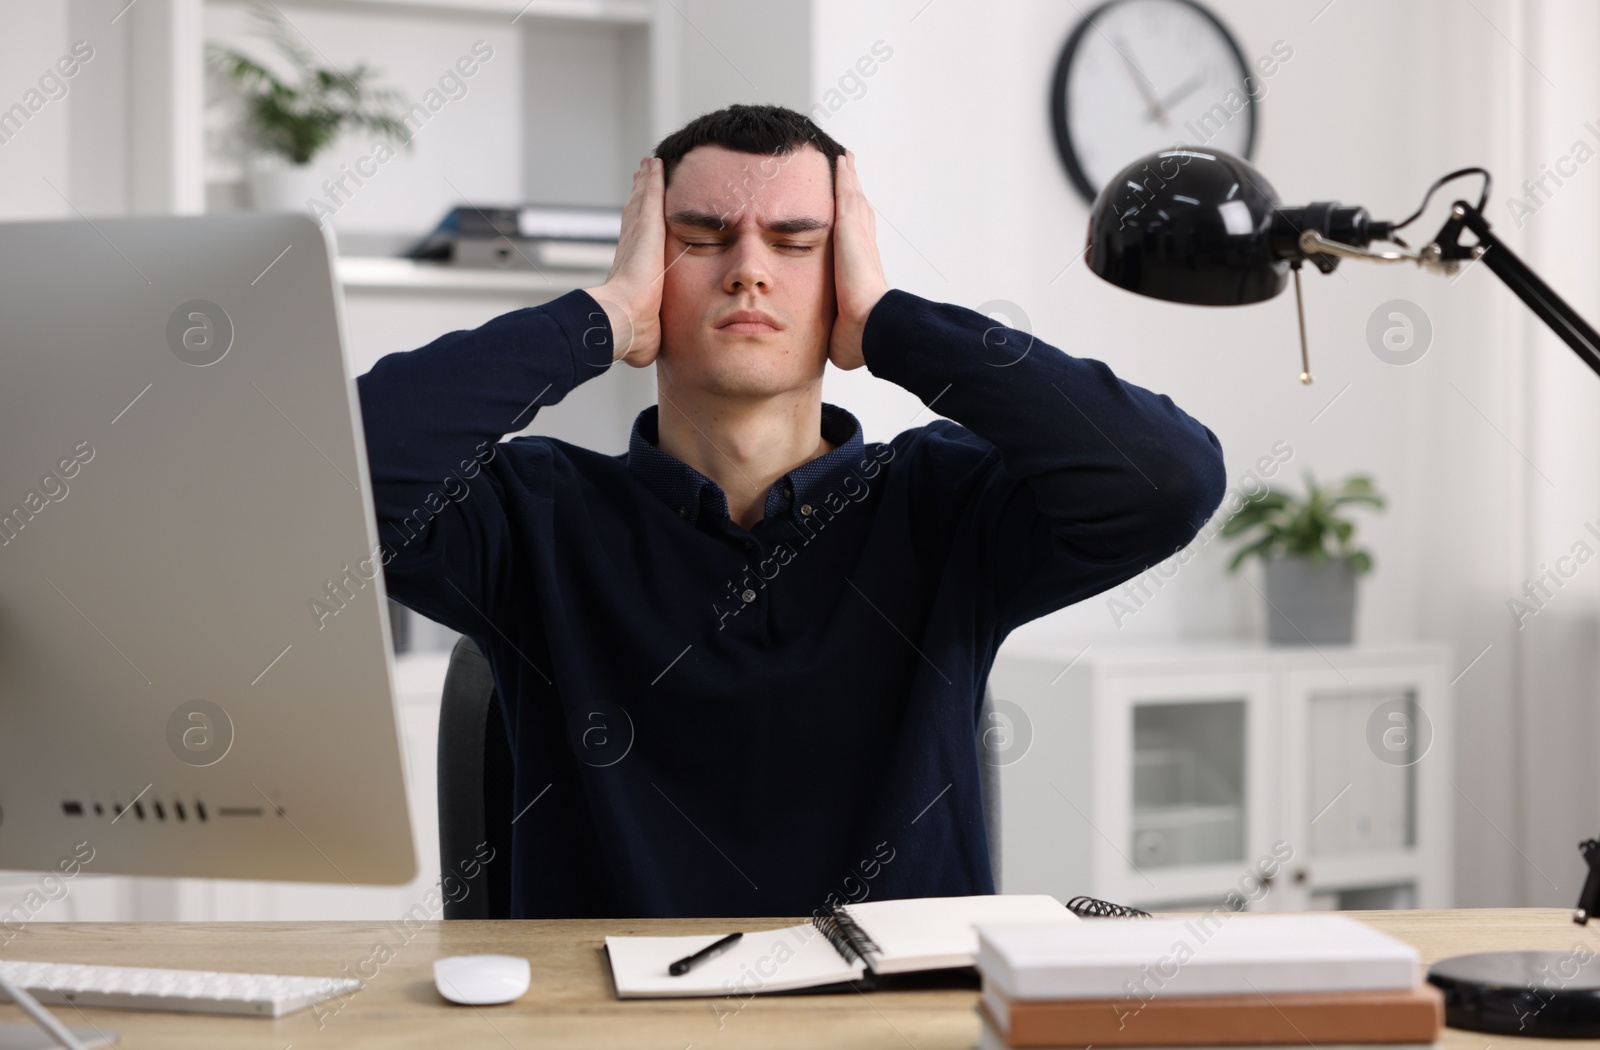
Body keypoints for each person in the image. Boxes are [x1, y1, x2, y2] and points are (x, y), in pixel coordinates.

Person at [356, 104, 1226, 918]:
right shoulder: (533, 516)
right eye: (699, 237)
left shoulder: (945, 506)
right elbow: (336, 465)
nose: (748, 269)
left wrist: (890, 322)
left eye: (795, 241)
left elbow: (1170, 477)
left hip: (892, 1029)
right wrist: (605, 315)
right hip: (610, 1027)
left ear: (842, 270)